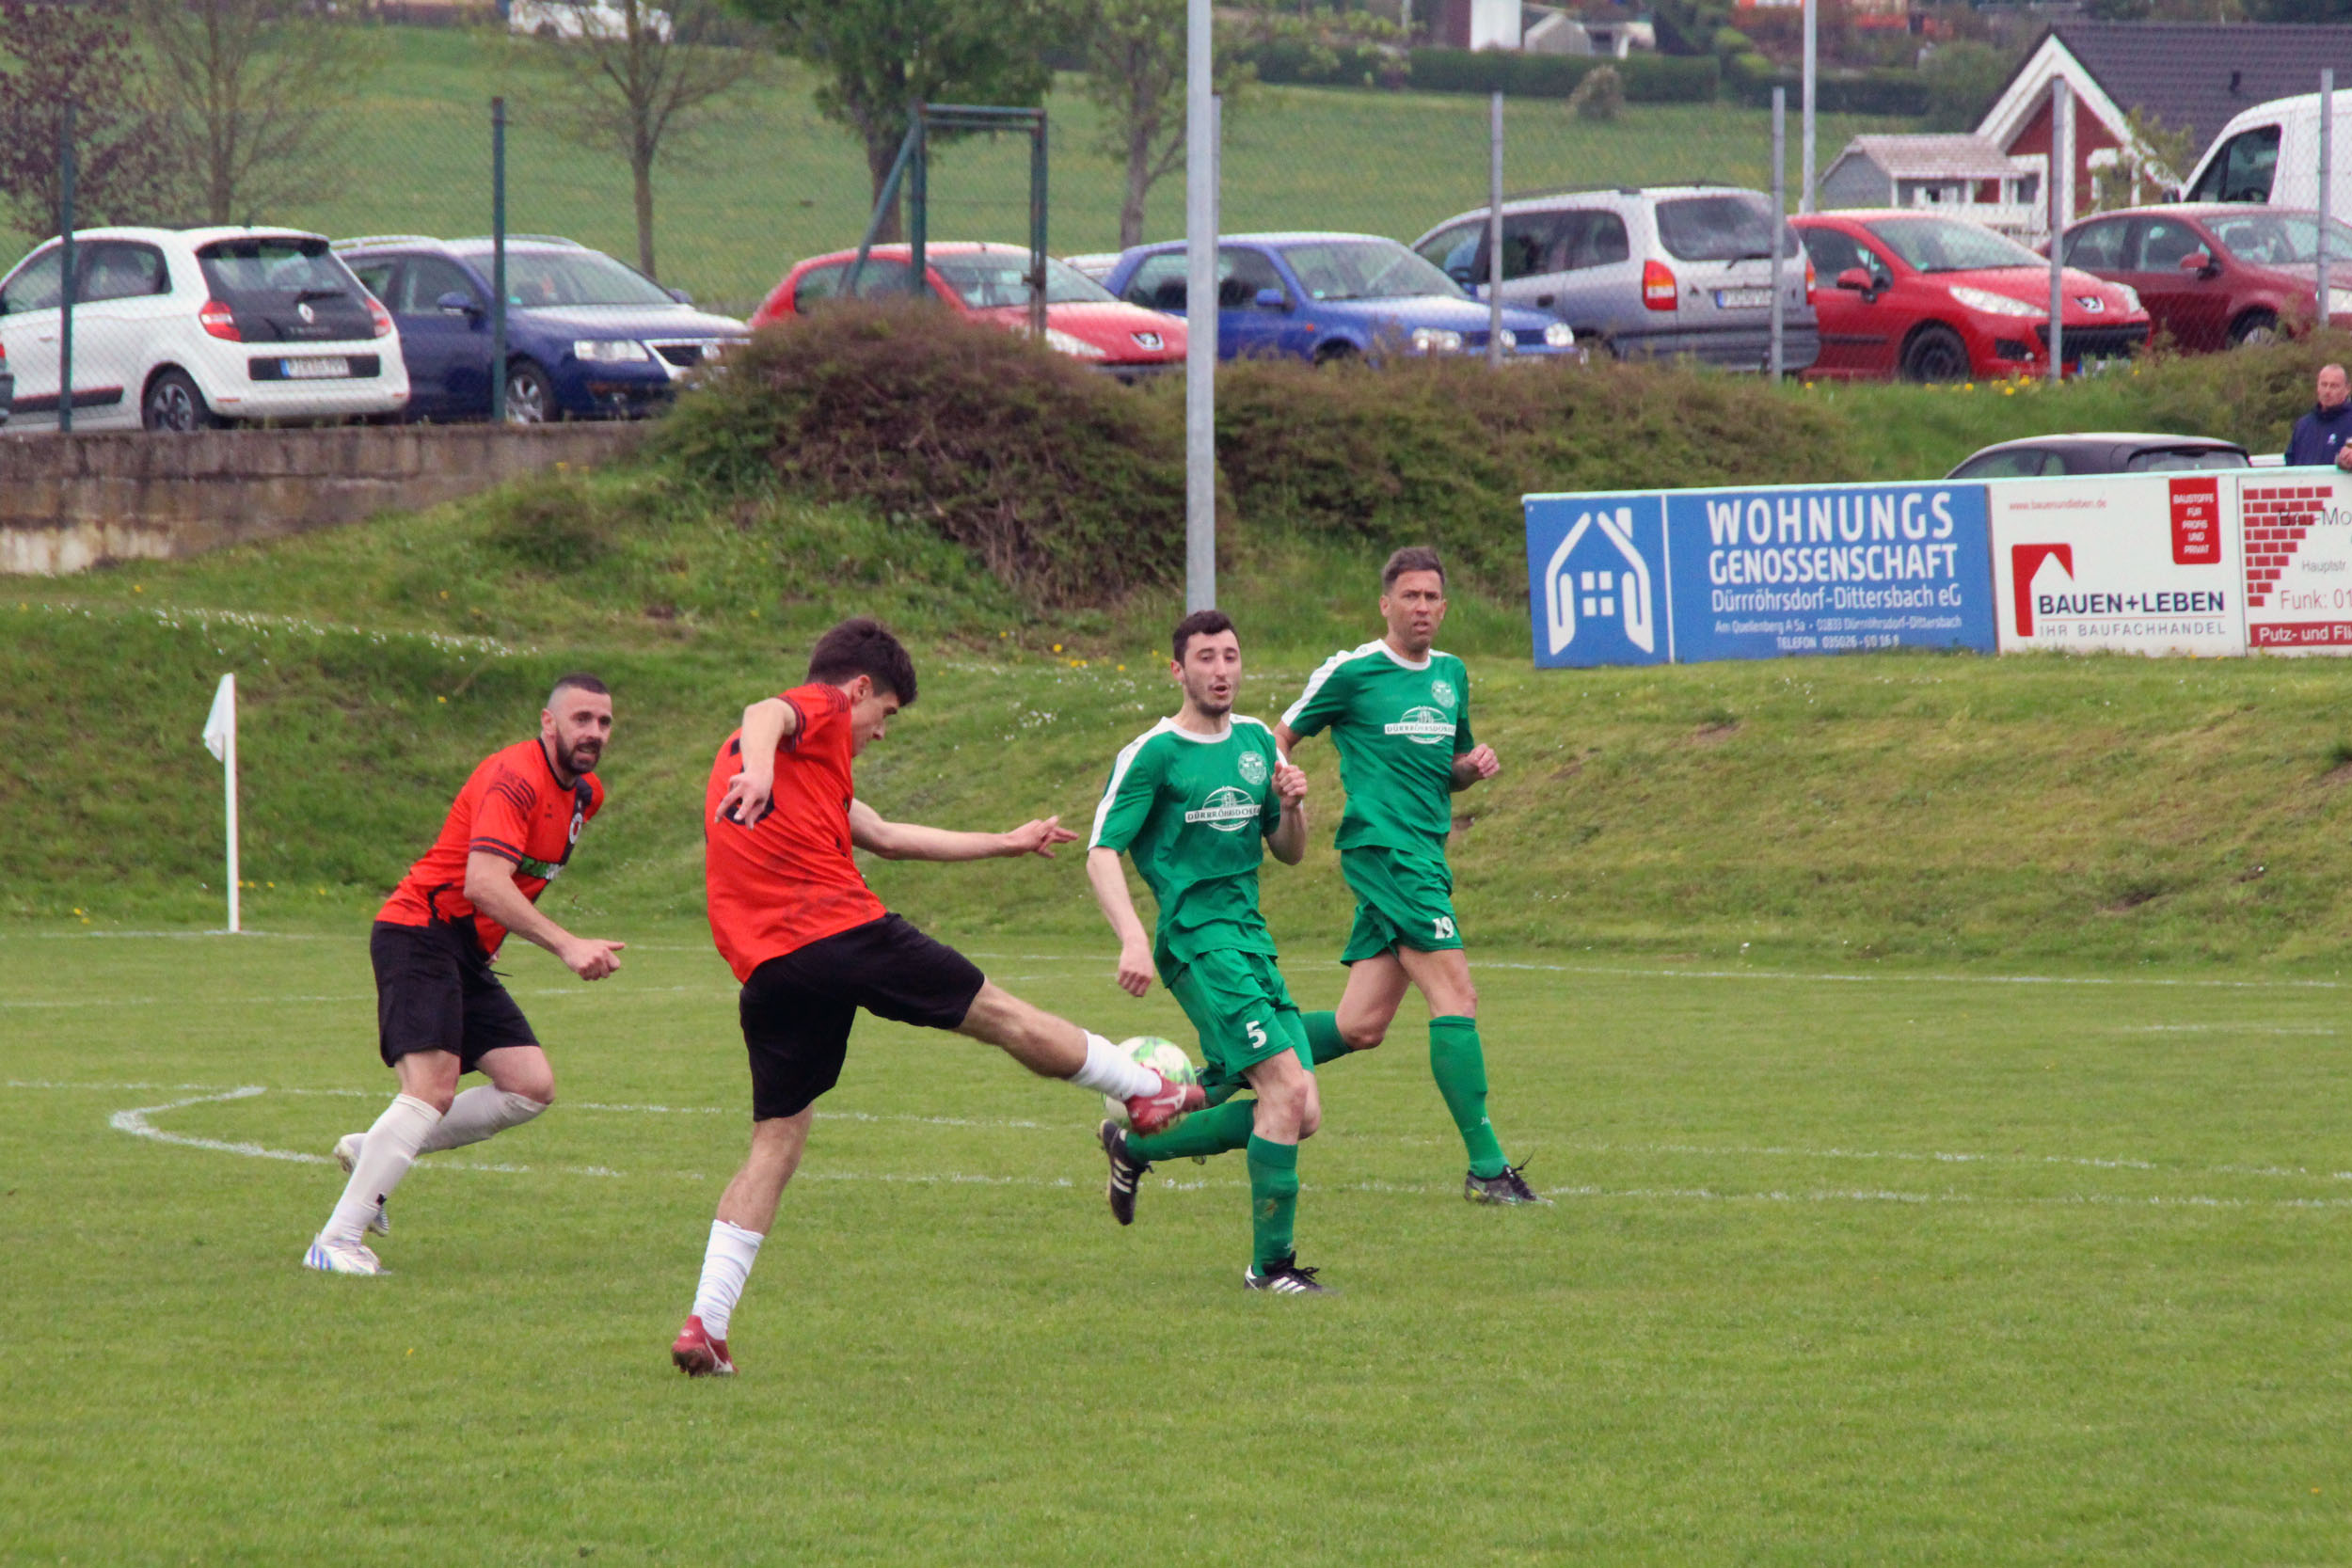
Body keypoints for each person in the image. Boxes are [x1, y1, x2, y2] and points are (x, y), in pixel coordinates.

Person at [671, 617, 1204, 1376]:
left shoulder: (807, 773)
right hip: (838, 931)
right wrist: (758, 770)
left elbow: (887, 835)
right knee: (1003, 1016)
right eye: (884, 713)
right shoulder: (805, 718)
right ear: (858, 689)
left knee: (776, 1142)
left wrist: (1006, 841)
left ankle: (706, 1323)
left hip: (770, 971)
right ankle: (1147, 1090)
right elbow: (767, 711)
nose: (880, 731)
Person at [305, 673, 628, 1275]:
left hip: (462, 948)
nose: (594, 732)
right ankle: (336, 1241)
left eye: (604, 722)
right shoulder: (514, 777)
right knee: (432, 1088)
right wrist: (566, 945)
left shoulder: (586, 795)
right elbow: (483, 881)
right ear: (548, 722)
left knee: (529, 1086)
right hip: (419, 931)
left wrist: (488, 938)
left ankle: (371, 1150)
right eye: (581, 719)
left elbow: (514, 877)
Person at [1273, 547, 1545, 1207]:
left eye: (1431, 597)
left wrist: (1469, 768)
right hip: (1384, 851)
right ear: (1385, 604)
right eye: (1410, 596)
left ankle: (1229, 1061)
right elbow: (1276, 737)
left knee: (1360, 1026)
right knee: (1457, 996)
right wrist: (1281, 790)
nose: (1421, 607)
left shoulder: (1451, 674)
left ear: (1444, 608)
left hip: (1425, 853)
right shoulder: (1352, 672)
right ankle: (1488, 1169)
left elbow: (1448, 766)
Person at [1087, 610, 1329, 1294]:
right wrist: (1133, 936)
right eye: (1206, 658)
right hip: (1197, 940)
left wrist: (1294, 807)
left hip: (1252, 940)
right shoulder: (1153, 753)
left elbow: (1288, 852)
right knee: (1284, 1090)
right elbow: (1101, 852)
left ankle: (1137, 1144)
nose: (1221, 671)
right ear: (1178, 670)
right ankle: (1271, 1269)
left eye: (1230, 656)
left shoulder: (1257, 741)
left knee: (1302, 1112)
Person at [2283, 363, 2352, 469]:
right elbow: (2290, 463)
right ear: (2317, 387)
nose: (2327, 391)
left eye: (2334, 386)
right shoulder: (2303, 425)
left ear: (2347, 389)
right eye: (2324, 385)